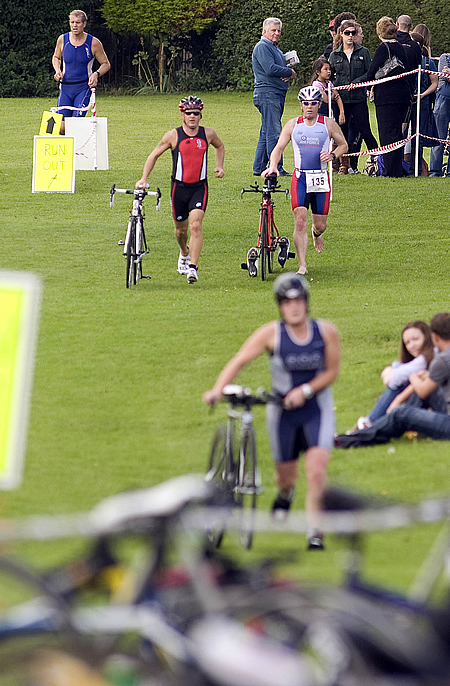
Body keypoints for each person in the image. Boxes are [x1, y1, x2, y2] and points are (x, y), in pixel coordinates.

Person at [203, 273, 341, 550]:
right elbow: (240, 360)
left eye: (299, 301)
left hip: (317, 408)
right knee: (285, 477)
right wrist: (218, 389)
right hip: (282, 413)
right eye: (287, 302)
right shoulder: (270, 334)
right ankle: (286, 494)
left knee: (316, 472)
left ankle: (315, 531)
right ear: (280, 306)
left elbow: (331, 372)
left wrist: (304, 391)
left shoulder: (326, 331)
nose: (294, 307)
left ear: (306, 303)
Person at [135, 96, 225, 284]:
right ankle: (184, 251)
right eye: (188, 113)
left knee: (195, 226)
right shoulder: (173, 136)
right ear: (182, 114)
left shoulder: (208, 134)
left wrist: (219, 166)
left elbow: (219, 146)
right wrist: (144, 179)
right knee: (180, 231)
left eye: (196, 113)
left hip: (199, 188)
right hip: (179, 189)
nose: (192, 116)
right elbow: (153, 156)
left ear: (201, 115)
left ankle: (193, 267)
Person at [262, 86, 347, 275]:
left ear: (319, 104)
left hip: (320, 178)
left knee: (320, 225)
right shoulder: (293, 125)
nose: (309, 107)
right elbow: (278, 148)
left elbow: (343, 145)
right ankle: (302, 265)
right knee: (300, 220)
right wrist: (273, 166)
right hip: (300, 177)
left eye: (313, 103)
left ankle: (316, 235)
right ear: (301, 105)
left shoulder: (328, 124)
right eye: (305, 103)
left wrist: (332, 155)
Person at [335, 313, 450, 449]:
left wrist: (413, 376)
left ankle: (351, 440)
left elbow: (423, 391)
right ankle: (375, 428)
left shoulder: (442, 360)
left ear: (434, 337)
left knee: (401, 414)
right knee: (419, 397)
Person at [349, 321, 435, 432]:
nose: (412, 345)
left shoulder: (425, 359)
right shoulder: (422, 360)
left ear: (427, 337)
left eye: (415, 339)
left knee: (399, 384)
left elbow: (392, 380)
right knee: (405, 380)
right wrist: (390, 370)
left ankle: (370, 422)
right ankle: (370, 424)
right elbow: (396, 367)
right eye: (407, 342)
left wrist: (390, 373)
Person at [329, 20, 378, 174]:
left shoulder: (363, 52)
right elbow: (329, 75)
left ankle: (377, 160)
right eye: (347, 33)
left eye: (353, 33)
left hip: (358, 98)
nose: (350, 36)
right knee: (340, 133)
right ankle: (344, 165)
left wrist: (357, 82)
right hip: (341, 100)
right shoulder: (334, 54)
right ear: (341, 35)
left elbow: (369, 73)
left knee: (365, 130)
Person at [52, 9, 110, 134]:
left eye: (78, 22)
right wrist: (57, 71)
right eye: (72, 22)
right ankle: (64, 151)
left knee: (75, 123)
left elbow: (106, 64)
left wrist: (96, 73)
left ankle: (78, 151)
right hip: (65, 88)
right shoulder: (63, 40)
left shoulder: (94, 43)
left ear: (84, 24)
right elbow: (56, 57)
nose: (74, 26)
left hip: (83, 88)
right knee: (60, 125)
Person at [252, 18, 296, 176]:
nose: (276, 33)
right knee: (274, 132)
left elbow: (274, 67)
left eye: (278, 30)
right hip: (268, 93)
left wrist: (286, 67)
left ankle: (258, 167)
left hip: (274, 93)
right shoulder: (262, 46)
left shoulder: (273, 48)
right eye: (273, 30)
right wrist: (289, 72)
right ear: (264, 31)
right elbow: (270, 69)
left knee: (266, 131)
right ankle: (276, 167)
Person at [366, 16, 410, 178]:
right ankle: (397, 168)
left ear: (379, 33)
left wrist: (368, 86)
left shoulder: (383, 48)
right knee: (397, 134)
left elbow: (372, 71)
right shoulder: (400, 47)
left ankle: (389, 170)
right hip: (402, 96)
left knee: (387, 134)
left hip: (386, 97)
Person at [408, 33, 439, 176]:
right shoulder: (406, 60)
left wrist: (422, 95)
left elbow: (435, 82)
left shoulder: (428, 62)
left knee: (418, 137)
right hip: (406, 102)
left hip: (423, 103)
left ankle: (417, 169)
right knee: (401, 135)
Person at [395, 14, 422, 125]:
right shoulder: (415, 47)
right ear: (411, 27)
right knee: (403, 122)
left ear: (397, 25)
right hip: (408, 89)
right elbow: (418, 66)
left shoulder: (390, 43)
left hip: (391, 89)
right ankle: (400, 141)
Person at [429, 52, 450, 177]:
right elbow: (445, 75)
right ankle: (435, 171)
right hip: (443, 99)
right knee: (438, 137)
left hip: (443, 97)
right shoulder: (445, 57)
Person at [311, 58, 345, 125]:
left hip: (330, 113)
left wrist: (342, 113)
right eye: (325, 69)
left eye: (329, 69)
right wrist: (333, 94)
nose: (329, 71)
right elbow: (326, 100)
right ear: (318, 72)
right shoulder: (316, 84)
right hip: (320, 114)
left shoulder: (329, 83)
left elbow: (338, 97)